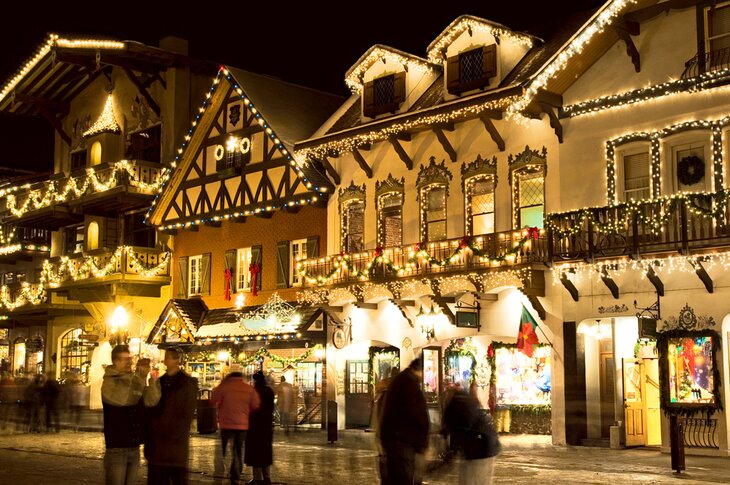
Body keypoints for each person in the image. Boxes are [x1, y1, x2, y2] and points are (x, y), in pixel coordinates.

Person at [102, 345, 160, 485]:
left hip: (134, 447)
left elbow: (152, 401)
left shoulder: (135, 380)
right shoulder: (109, 381)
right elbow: (124, 400)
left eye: (130, 359)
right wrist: (139, 377)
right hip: (117, 448)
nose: (129, 362)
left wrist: (150, 378)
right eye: (124, 359)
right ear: (115, 362)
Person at [146, 348, 198, 484]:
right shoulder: (160, 382)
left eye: (170, 357)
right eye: (166, 358)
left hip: (176, 445)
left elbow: (187, 413)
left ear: (176, 360)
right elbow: (152, 409)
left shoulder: (187, 383)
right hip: (159, 446)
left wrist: (176, 433)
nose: (166, 360)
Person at [379, 357, 429, 485]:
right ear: (420, 370)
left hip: (396, 441)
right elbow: (416, 413)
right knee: (403, 479)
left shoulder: (402, 380)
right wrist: (422, 443)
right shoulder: (408, 382)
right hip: (402, 443)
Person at [211, 364, 260, 483]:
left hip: (226, 424)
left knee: (224, 449)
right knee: (238, 449)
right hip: (242, 425)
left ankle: (223, 471)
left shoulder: (224, 386)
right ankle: (236, 472)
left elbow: (213, 399)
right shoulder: (248, 388)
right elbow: (256, 404)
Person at [442, 388, 500, 485]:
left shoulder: (457, 409)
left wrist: (450, 455)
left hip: (479, 450)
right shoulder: (465, 405)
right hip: (486, 448)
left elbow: (459, 433)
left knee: (470, 480)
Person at [245, 370, 275, 485]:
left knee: (256, 451)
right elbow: (271, 408)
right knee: (265, 451)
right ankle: (267, 477)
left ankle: (257, 478)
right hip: (266, 425)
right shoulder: (269, 391)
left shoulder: (253, 392)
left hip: (255, 425)